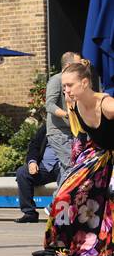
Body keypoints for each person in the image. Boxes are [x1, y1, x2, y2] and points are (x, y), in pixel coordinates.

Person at [33, 58, 114, 256]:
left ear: (85, 83)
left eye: (70, 85)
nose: (65, 90)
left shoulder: (107, 105)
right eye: (63, 86)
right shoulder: (73, 104)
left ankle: (108, 249)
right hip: (98, 154)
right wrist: (76, 169)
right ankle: (58, 246)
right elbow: (80, 138)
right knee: (64, 193)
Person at [43, 52, 80, 188]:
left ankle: (57, 205)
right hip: (58, 133)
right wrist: (68, 115)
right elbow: (50, 105)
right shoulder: (56, 80)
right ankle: (57, 204)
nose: (81, 66)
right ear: (69, 65)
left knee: (67, 169)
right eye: (78, 63)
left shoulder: (75, 82)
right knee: (73, 166)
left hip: (72, 132)